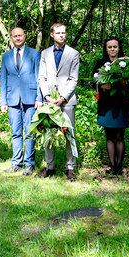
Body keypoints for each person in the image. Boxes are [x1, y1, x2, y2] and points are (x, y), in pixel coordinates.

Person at [37, 23, 80, 181]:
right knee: (48, 134)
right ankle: (50, 167)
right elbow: (42, 77)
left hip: (66, 101)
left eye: (64, 33)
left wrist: (62, 98)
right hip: (49, 100)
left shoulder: (73, 53)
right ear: (52, 34)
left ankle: (70, 168)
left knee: (69, 134)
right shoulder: (45, 53)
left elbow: (73, 79)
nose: (61, 35)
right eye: (58, 33)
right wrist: (47, 96)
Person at [0, 26, 40, 175]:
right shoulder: (6, 56)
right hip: (12, 99)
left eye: (20, 35)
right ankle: (16, 162)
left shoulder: (34, 53)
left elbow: (39, 77)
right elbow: (3, 79)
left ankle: (29, 164)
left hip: (31, 99)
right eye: (15, 36)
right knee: (15, 132)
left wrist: (39, 97)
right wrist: (3, 101)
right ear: (11, 38)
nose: (18, 38)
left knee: (30, 132)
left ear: (25, 36)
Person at [94, 36, 129, 176]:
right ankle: (112, 166)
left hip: (121, 103)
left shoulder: (126, 62)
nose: (112, 49)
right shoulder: (100, 63)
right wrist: (104, 85)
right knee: (109, 136)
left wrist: (125, 83)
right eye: (109, 47)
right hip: (106, 105)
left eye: (115, 46)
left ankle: (119, 167)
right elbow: (93, 82)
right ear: (106, 49)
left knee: (120, 136)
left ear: (119, 48)